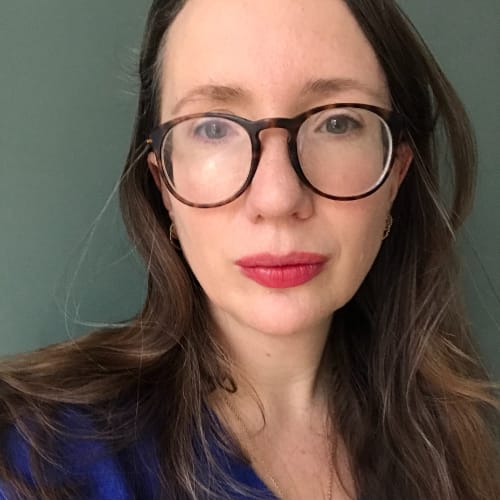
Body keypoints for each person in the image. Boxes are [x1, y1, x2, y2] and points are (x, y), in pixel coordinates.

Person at [0, 0, 498, 498]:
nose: (277, 198)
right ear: (163, 184)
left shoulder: (454, 441)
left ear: (396, 174)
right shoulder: (33, 462)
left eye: (337, 122)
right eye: (213, 127)